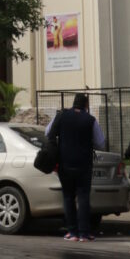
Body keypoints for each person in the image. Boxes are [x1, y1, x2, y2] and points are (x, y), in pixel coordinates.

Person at [47, 92, 105, 242]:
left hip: (65, 164)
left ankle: (72, 232)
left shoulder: (62, 115)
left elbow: (48, 132)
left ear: (73, 103)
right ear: (86, 105)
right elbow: (100, 143)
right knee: (83, 197)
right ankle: (84, 233)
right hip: (84, 165)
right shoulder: (90, 120)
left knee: (68, 197)